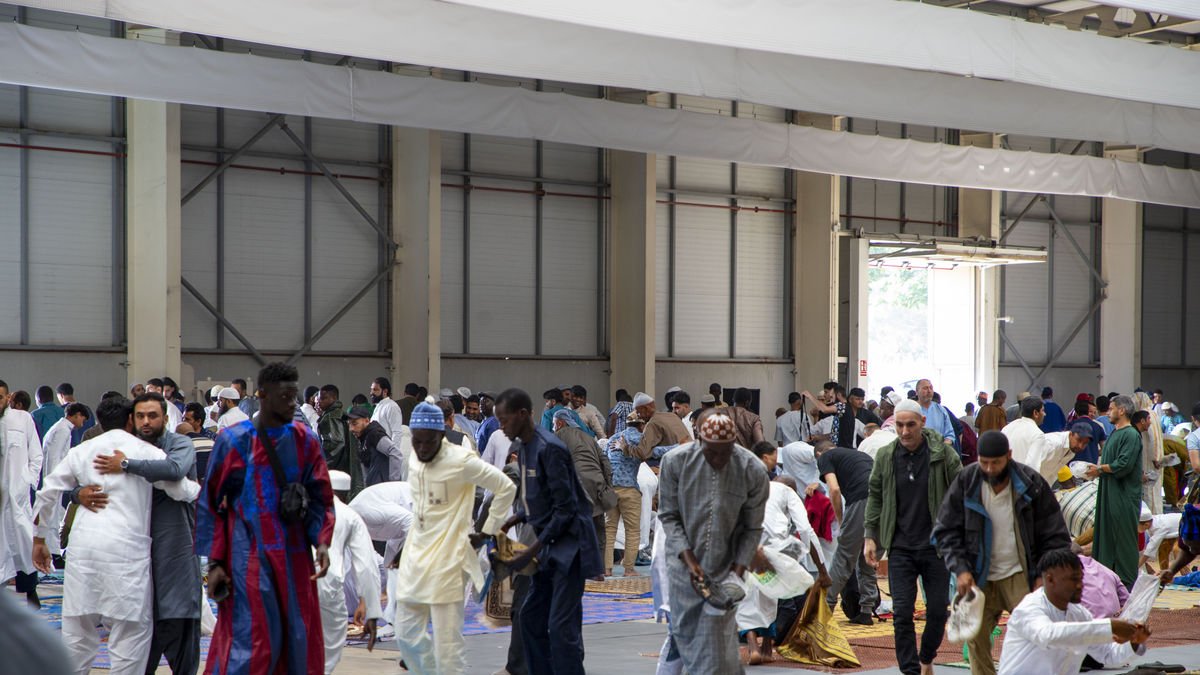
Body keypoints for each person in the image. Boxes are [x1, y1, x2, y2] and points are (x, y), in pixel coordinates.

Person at [33, 396, 200, 675]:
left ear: (99, 421)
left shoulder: (83, 450)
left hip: (83, 553)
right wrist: (203, 492)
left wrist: (39, 540)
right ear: (130, 420)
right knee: (129, 641)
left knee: (77, 638)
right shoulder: (144, 451)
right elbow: (179, 488)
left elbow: (47, 491)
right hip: (126, 556)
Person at [197, 362, 336, 675]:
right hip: (248, 557)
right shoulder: (234, 441)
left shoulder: (305, 440)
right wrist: (215, 562)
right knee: (251, 641)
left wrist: (323, 542)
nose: (290, 403)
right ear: (261, 396)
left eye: (293, 396)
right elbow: (210, 502)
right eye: (282, 396)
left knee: (297, 639)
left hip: (296, 556)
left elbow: (320, 497)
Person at [81, 393, 204, 675]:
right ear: (131, 420)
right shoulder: (123, 448)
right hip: (135, 563)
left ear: (165, 418)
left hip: (175, 557)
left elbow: (175, 470)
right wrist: (79, 494)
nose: (146, 421)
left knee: (181, 643)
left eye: (152, 415)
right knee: (137, 652)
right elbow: (79, 478)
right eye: (140, 416)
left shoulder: (178, 444)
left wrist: (127, 465)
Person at [392, 396, 515, 675]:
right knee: (406, 635)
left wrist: (486, 532)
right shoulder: (414, 458)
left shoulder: (461, 460)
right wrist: (403, 550)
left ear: (441, 434)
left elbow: (506, 487)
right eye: (417, 441)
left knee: (447, 647)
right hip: (417, 556)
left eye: (429, 441)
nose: (422, 448)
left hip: (450, 559)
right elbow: (421, 511)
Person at [932, 431, 1071, 675]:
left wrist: (1043, 575)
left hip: (1021, 574)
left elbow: (1055, 536)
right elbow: (945, 531)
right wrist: (961, 569)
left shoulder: (1031, 484)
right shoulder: (967, 481)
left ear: (1008, 456)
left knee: (1034, 636)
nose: (989, 469)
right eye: (984, 462)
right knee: (975, 640)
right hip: (978, 575)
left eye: (995, 462)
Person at [495, 388, 603, 675]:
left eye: (504, 421)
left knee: (561, 627)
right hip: (549, 546)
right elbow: (539, 500)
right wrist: (515, 518)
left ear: (522, 415)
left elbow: (565, 509)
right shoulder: (525, 448)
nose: (501, 427)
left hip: (570, 548)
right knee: (530, 618)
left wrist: (532, 548)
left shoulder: (549, 448)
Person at [657, 410, 768, 674]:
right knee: (684, 633)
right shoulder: (675, 462)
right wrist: (691, 562)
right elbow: (669, 517)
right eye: (711, 452)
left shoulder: (752, 469)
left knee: (715, 646)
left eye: (724, 452)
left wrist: (736, 574)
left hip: (724, 571)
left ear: (735, 445)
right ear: (699, 442)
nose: (718, 459)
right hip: (683, 571)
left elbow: (752, 529)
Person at [864, 399, 962, 675]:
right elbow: (875, 496)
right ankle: (910, 671)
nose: (905, 431)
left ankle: (927, 656)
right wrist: (870, 536)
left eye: (910, 425)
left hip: (936, 548)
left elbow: (962, 491)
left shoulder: (943, 455)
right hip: (900, 548)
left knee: (937, 612)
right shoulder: (885, 456)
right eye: (899, 425)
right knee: (902, 613)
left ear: (922, 423)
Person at [996, 549, 1150, 675]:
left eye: (1081, 579)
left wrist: (1134, 642)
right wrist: (1111, 626)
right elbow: (1048, 635)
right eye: (1073, 580)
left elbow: (1108, 655)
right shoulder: (1028, 608)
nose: (1080, 586)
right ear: (1050, 580)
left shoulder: (1079, 613)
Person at [317, 470, 382, 675]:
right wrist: (370, 609)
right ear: (346, 495)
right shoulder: (350, 516)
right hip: (328, 587)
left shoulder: (299, 505)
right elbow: (366, 565)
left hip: (291, 584)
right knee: (331, 644)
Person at [813, 439, 878, 624]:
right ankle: (866, 611)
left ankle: (825, 611)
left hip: (861, 500)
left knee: (843, 556)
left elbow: (834, 489)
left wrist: (841, 520)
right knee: (868, 556)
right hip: (884, 500)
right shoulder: (858, 454)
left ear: (819, 454)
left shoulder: (825, 456)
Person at [1089, 394, 1143, 587]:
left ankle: (1126, 588)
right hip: (1110, 495)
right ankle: (1108, 586)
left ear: (1122, 410)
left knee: (1122, 543)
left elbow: (1124, 465)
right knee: (1107, 540)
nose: (1108, 412)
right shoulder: (1115, 433)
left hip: (1122, 498)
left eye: (1111, 408)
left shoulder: (1130, 434)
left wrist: (1100, 469)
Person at [0, 378, 44, 608]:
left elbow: (36, 454)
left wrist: (27, 480)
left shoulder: (22, 419)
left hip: (17, 497)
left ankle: (30, 591)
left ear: (8, 399)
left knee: (24, 543)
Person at [553, 409, 614, 570]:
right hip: (597, 485)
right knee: (598, 529)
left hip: (576, 487)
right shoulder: (589, 437)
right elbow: (605, 462)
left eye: (554, 424)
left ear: (559, 423)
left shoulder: (558, 436)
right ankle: (599, 570)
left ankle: (578, 570)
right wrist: (607, 485)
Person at [40, 402, 90, 560]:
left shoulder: (62, 427)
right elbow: (55, 457)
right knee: (53, 517)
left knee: (55, 515)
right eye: (83, 418)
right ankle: (54, 553)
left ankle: (54, 551)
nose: (82, 422)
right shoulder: (62, 430)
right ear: (76, 415)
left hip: (53, 478)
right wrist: (57, 479)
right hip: (54, 478)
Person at [317, 384, 364, 498]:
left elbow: (337, 444)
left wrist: (323, 465)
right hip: (346, 468)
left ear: (333, 398)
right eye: (318, 399)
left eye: (323, 398)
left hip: (336, 471)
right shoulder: (340, 414)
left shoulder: (330, 418)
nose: (319, 402)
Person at [619, 391, 689, 461]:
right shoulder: (672, 416)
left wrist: (625, 447)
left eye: (638, 412)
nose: (638, 416)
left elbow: (642, 453)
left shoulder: (652, 423)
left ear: (646, 409)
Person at [350, 405, 407, 485]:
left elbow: (395, 453)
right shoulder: (362, 439)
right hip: (374, 489)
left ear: (366, 421)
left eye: (355, 423)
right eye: (349, 424)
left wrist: (394, 483)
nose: (351, 428)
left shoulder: (375, 434)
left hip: (385, 490)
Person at [1134, 392, 1165, 515]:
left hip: (1149, 459)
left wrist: (1155, 457)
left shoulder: (1146, 415)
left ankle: (1151, 519)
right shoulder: (1153, 413)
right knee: (1155, 491)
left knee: (1149, 492)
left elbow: (1154, 438)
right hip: (1155, 458)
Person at [1002, 396, 1045, 467]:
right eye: (1043, 410)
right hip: (1022, 477)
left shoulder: (1007, 428)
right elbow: (1032, 467)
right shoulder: (1037, 434)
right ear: (1035, 413)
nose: (1044, 414)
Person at [1138, 507, 1181, 573]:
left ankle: (1187, 577)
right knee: (1163, 549)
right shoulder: (1152, 520)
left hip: (1189, 529)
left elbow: (1150, 550)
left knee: (1178, 551)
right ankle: (1164, 574)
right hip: (1174, 533)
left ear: (1146, 524)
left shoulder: (1158, 527)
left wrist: (1136, 567)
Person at [915, 379, 956, 445]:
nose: (929, 391)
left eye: (931, 388)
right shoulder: (912, 410)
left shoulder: (941, 410)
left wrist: (944, 446)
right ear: (916, 391)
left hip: (939, 451)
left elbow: (950, 435)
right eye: (925, 388)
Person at [1068, 400, 1106, 465]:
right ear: (1088, 411)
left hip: (1073, 465)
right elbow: (1104, 449)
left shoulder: (1070, 425)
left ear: (1076, 413)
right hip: (1091, 465)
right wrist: (1095, 453)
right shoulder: (1098, 426)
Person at [369, 376, 406, 443]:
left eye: (375, 390)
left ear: (385, 391)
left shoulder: (391, 406)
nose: (371, 393)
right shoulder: (379, 406)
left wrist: (393, 452)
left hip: (387, 451)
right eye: (371, 389)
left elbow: (397, 433)